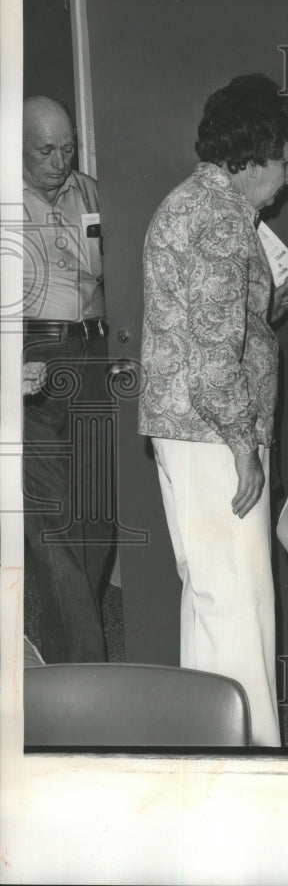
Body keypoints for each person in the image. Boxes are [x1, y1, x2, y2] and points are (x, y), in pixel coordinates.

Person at [138, 74, 288, 747]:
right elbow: (212, 354)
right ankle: (254, 762)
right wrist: (244, 446)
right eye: (286, 164)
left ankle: (208, 746)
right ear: (255, 153)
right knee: (239, 605)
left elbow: (205, 324)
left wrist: (263, 311)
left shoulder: (192, 203)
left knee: (211, 600)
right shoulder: (219, 216)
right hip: (214, 433)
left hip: (187, 429)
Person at [22, 96, 113, 663]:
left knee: (98, 512)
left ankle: (58, 650)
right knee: (52, 518)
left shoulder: (95, 192)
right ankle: (88, 670)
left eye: (68, 147)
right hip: (32, 352)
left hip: (95, 348)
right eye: (46, 150)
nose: (61, 161)